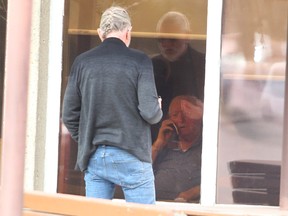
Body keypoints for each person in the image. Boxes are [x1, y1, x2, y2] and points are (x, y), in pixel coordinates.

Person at [62, 6, 162, 204]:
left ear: (101, 34)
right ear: (128, 32)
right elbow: (150, 113)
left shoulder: (82, 62)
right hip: (132, 155)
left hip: (95, 157)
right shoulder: (140, 61)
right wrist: (157, 107)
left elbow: (68, 115)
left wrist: (87, 140)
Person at [151, 11, 205, 142]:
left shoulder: (203, 65)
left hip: (197, 138)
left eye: (173, 39)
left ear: (187, 36)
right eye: (161, 39)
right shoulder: (152, 66)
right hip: (159, 136)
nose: (167, 44)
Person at [152, 95, 203, 202]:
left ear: (199, 116)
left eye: (186, 113)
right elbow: (137, 173)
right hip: (151, 206)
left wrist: (193, 192)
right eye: (175, 115)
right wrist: (158, 144)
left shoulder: (209, 146)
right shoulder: (164, 146)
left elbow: (221, 182)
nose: (181, 120)